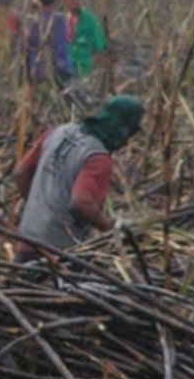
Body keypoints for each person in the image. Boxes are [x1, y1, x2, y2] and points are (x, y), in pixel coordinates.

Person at [12, 95, 144, 262]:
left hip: (27, 238)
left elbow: (20, 174)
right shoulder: (97, 158)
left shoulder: (58, 132)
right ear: (122, 130)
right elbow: (80, 203)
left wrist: (39, 206)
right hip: (58, 250)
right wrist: (110, 227)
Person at [26, 0, 72, 86]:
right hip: (61, 68)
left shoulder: (34, 21)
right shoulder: (60, 18)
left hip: (38, 71)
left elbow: (29, 44)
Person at [62, 0, 106, 78]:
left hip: (87, 74)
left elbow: (100, 48)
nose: (76, 1)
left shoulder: (90, 20)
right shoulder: (63, 21)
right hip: (69, 73)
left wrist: (95, 74)